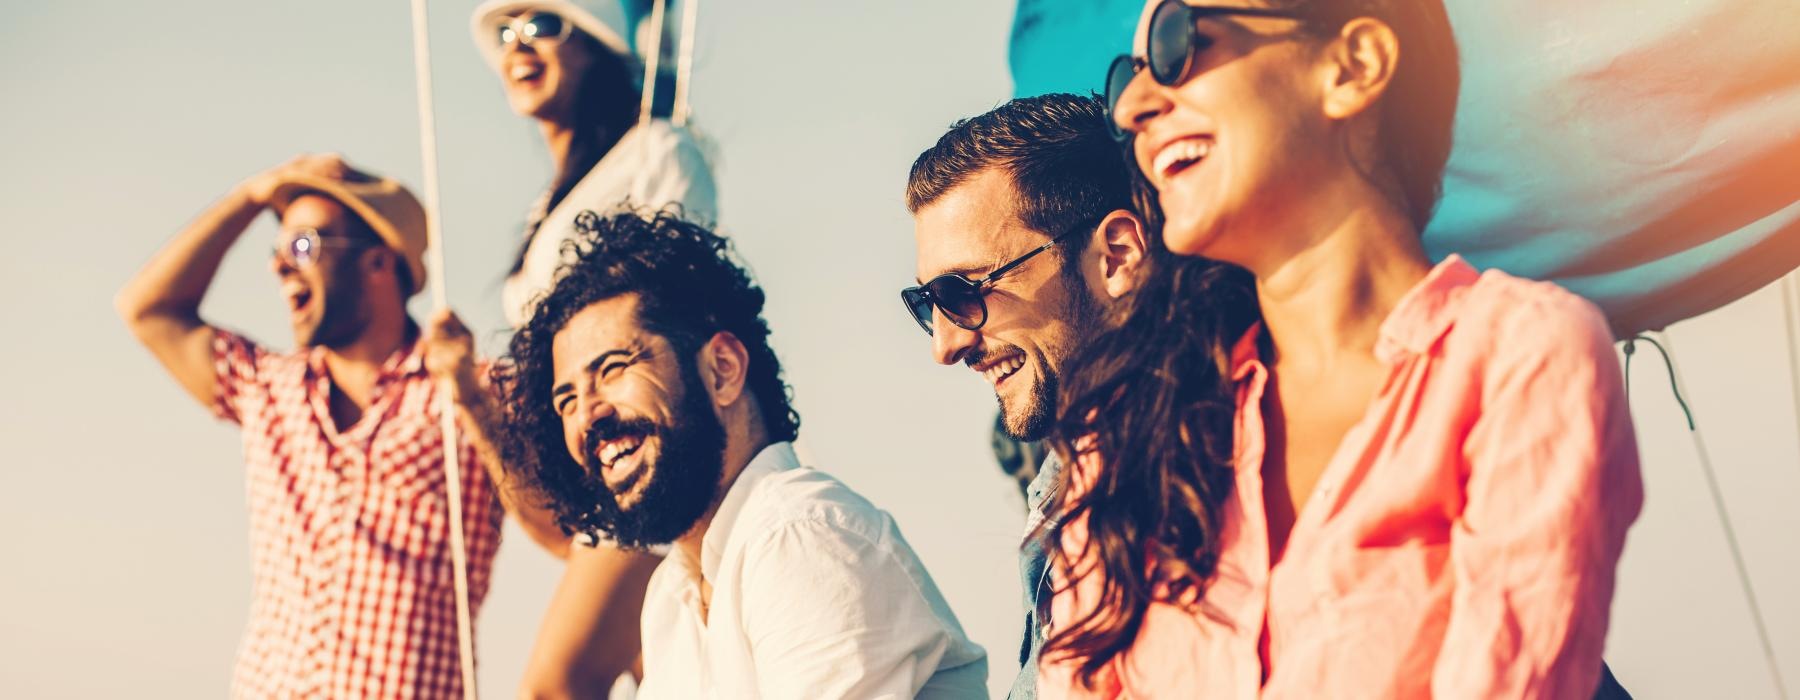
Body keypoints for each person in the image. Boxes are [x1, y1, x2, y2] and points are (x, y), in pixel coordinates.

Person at [1036, 1, 1645, 697]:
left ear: (1353, 68)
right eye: (1126, 78)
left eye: (1179, 42)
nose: (1133, 108)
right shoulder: (1125, 430)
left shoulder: (1518, 358)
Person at [494, 209, 989, 698]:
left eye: (614, 368)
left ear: (724, 369)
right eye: (567, 400)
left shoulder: (799, 537)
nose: (587, 415)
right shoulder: (673, 594)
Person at [114, 154, 510, 699]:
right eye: (278, 251)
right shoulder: (264, 388)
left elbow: (555, 527)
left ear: (378, 262)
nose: (280, 267)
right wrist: (254, 194)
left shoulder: (468, 391)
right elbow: (147, 309)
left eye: (303, 246)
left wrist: (470, 398)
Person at [468, 0, 719, 694]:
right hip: (595, 474)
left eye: (543, 25)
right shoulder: (549, 202)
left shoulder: (661, 152)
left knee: (555, 684)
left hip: (654, 458)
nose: (519, 45)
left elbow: (676, 310)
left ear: (602, 44)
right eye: (507, 33)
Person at [903, 93, 1157, 699]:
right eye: (926, 305)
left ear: (1115, 257)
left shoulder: (1215, 460)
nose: (945, 345)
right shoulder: (1066, 488)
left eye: (963, 291)